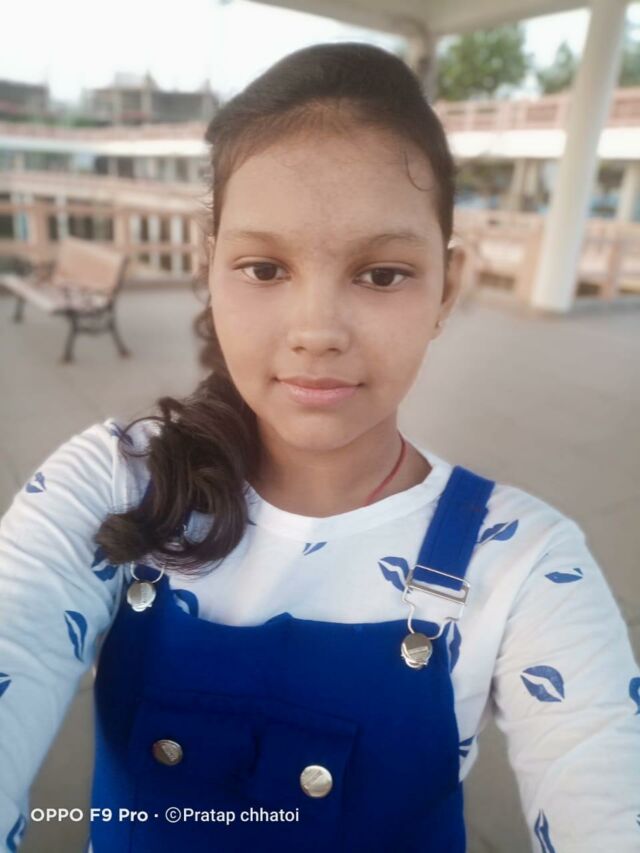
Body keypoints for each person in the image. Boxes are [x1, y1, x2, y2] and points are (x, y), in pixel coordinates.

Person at [0, 42, 638, 853]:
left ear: (448, 285)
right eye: (265, 268)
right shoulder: (115, 483)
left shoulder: (524, 564)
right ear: (209, 268)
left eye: (382, 275)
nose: (317, 331)